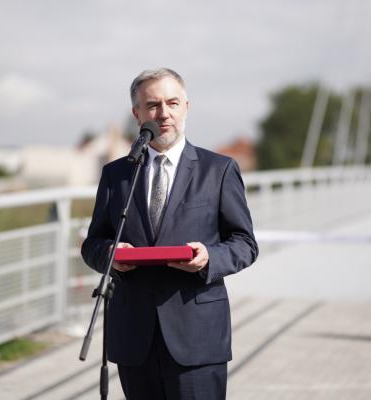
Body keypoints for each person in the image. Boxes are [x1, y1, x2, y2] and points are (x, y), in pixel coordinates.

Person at [81, 67, 258, 400]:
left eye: (172, 103)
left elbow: (245, 244)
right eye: (152, 105)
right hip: (134, 337)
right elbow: (93, 244)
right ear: (137, 113)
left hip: (197, 336)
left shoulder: (219, 170)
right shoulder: (116, 174)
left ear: (187, 107)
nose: (163, 113)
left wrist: (209, 258)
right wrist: (112, 255)